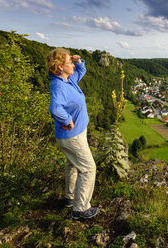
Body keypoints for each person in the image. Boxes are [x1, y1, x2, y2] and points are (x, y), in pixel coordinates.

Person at [47, 48, 98, 220]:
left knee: (73, 165)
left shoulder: (68, 81)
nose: (73, 65)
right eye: (69, 62)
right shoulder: (59, 86)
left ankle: (70, 198)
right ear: (60, 67)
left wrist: (78, 62)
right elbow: (55, 108)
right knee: (89, 168)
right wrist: (67, 120)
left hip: (75, 134)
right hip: (72, 137)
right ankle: (81, 209)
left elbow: (81, 70)